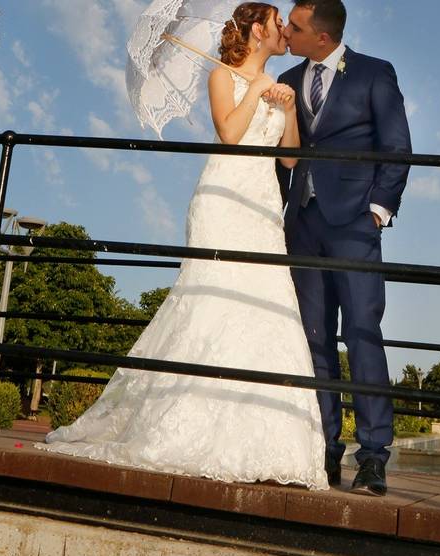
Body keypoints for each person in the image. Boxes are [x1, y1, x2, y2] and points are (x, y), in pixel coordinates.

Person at [38, 3, 328, 491]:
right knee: (210, 302)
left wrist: (289, 107)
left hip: (260, 210)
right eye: (277, 20)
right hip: (220, 204)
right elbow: (230, 134)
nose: (284, 29)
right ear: (257, 29)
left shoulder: (283, 87)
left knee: (264, 310)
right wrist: (256, 90)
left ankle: (263, 440)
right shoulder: (222, 77)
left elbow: (291, 159)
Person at [278, 0, 411, 496]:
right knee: (314, 338)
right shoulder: (288, 78)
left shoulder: (375, 74)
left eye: (295, 25)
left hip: (355, 221)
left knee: (362, 332)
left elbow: (397, 147)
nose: (286, 32)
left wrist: (378, 209)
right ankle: (325, 448)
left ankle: (373, 456)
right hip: (304, 223)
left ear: (324, 36)